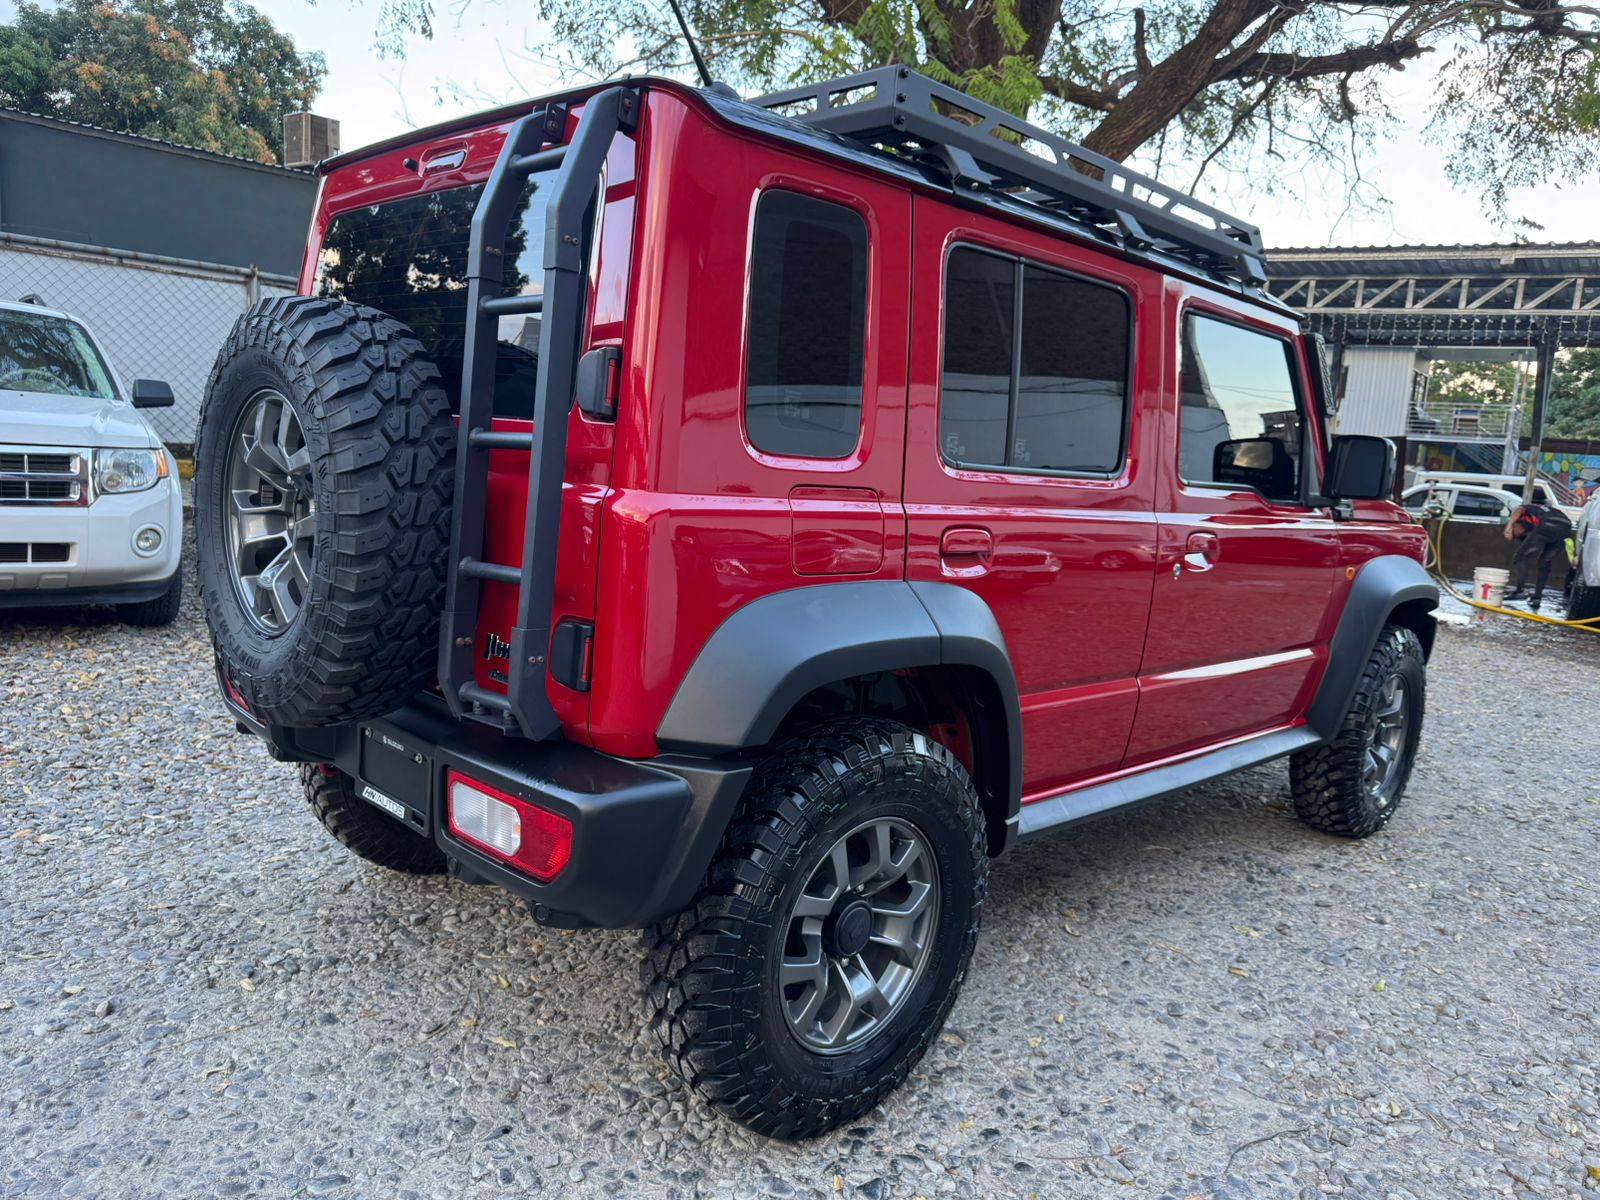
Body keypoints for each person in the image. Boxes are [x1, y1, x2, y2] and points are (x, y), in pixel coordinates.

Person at [1503, 499, 1574, 610]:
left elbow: (1519, 509)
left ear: (1517, 525)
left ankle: (1519, 591)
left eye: (1514, 534)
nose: (1515, 536)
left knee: (1519, 557)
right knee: (1545, 563)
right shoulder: (1540, 514)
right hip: (1566, 529)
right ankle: (1537, 598)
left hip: (1548, 524)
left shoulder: (1525, 511)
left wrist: (1509, 525)